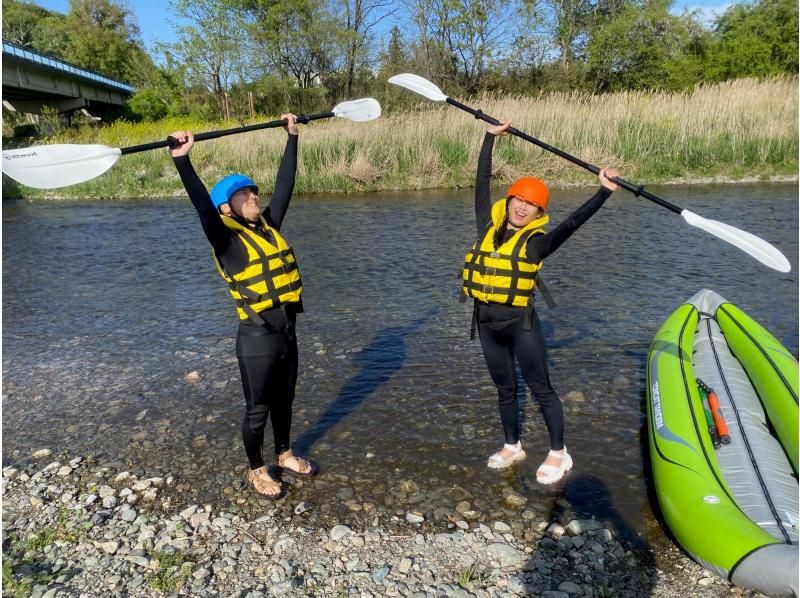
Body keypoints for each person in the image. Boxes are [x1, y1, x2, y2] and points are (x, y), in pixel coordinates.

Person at [462, 119, 619, 484]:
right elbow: (480, 183)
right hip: (486, 324)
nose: (522, 208)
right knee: (504, 388)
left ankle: (559, 453)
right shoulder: (487, 225)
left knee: (541, 388)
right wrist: (489, 138)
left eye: (532, 205)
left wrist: (603, 192)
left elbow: (571, 224)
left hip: (521, 326)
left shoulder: (536, 243)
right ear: (510, 199)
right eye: (519, 199)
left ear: (538, 213)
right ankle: (512, 445)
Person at [169, 114, 315, 499]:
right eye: (243, 194)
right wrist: (183, 161)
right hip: (257, 339)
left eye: (253, 191)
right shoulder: (226, 240)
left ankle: (283, 453)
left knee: (286, 399)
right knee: (258, 410)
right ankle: (256, 469)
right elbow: (203, 208)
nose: (254, 196)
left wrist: (292, 137)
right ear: (227, 209)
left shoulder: (268, 228)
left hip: (287, 332)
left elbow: (285, 187)